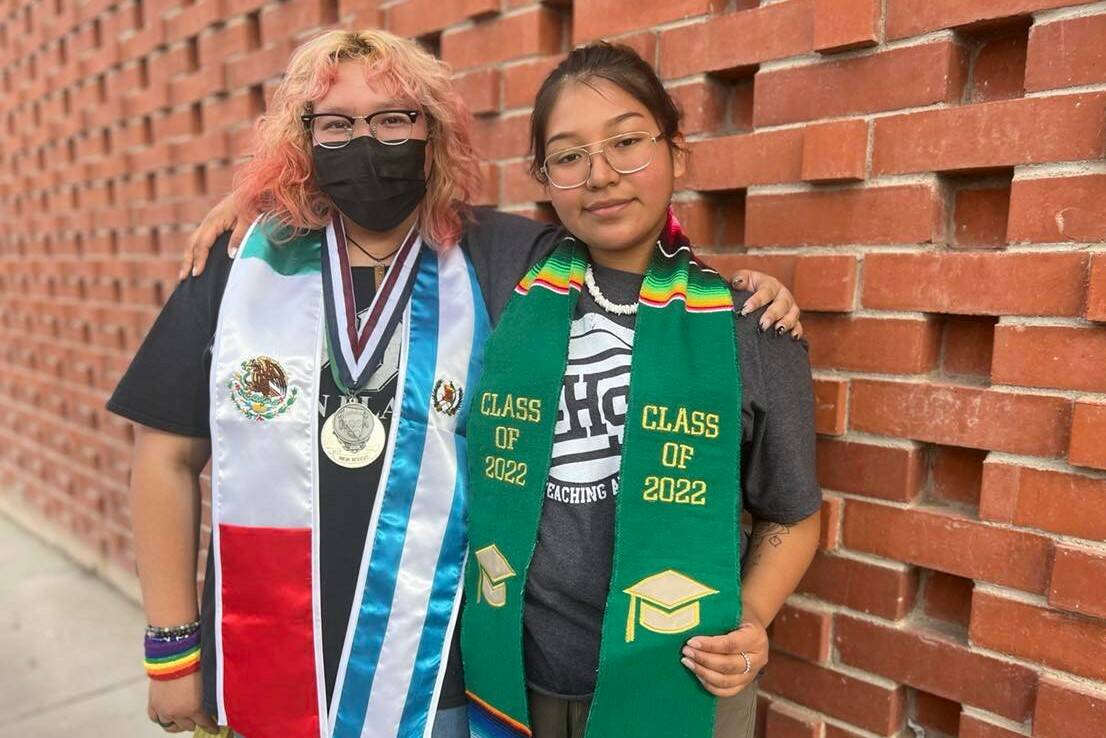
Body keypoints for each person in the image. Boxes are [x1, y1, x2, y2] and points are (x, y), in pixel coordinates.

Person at [112, 30, 802, 738]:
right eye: (337, 124)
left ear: (432, 132)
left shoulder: (502, 258)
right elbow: (164, 458)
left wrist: (748, 294)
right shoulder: (241, 270)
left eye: (393, 119)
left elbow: (625, 241)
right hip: (264, 655)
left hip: (439, 674)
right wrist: (172, 650)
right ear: (303, 138)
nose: (366, 142)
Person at [460, 43, 822, 738]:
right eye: (568, 156)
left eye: (627, 142)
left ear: (677, 152)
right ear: (544, 177)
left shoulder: (746, 324)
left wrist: (751, 620)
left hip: (679, 686)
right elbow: (382, 206)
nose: (599, 175)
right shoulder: (511, 272)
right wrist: (255, 193)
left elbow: (793, 512)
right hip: (514, 677)